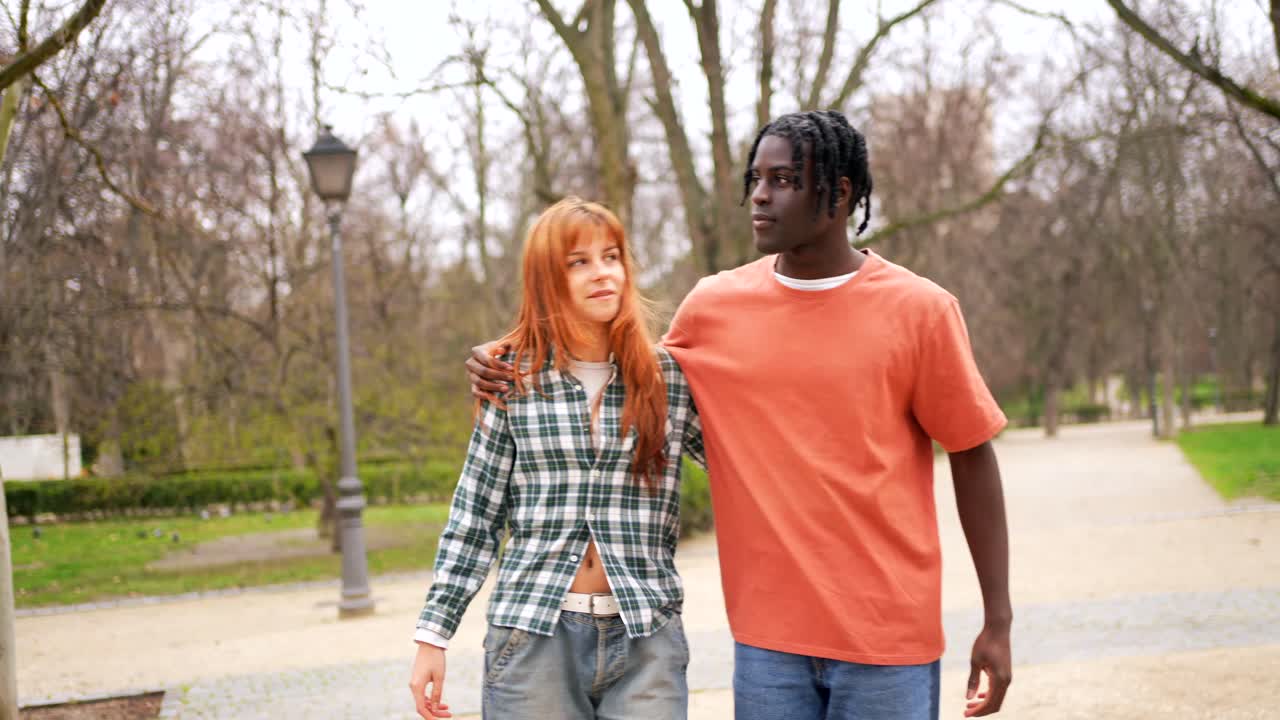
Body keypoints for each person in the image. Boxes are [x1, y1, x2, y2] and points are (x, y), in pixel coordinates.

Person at [466, 110, 1013, 719]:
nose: (759, 194)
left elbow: (971, 453)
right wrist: (508, 359)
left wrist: (998, 619)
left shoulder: (921, 310)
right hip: (767, 646)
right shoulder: (714, 307)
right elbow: (626, 380)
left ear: (839, 193)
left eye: (783, 180)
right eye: (756, 177)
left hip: (888, 639)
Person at [409, 197, 705, 720]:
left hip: (646, 634)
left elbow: (749, 461)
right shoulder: (511, 379)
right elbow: (476, 513)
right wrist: (434, 634)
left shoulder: (668, 379)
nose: (602, 273)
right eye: (579, 262)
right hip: (533, 634)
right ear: (548, 279)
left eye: (611, 257)